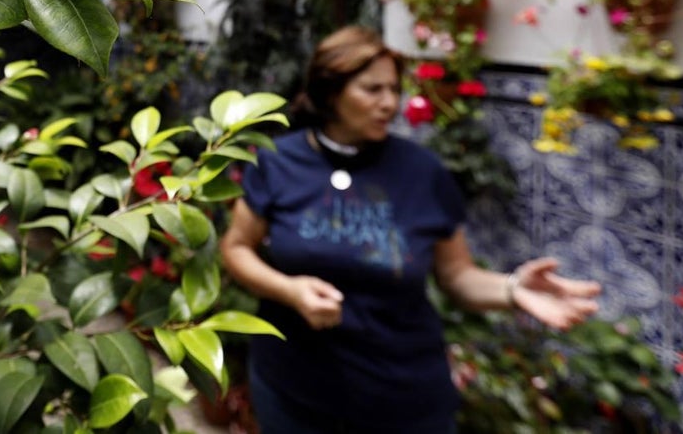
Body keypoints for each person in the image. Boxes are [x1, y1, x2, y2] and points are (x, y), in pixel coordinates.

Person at [219, 25, 601, 434]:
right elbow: (236, 248)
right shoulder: (279, 163)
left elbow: (457, 276)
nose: (390, 103)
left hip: (403, 395)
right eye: (372, 90)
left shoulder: (421, 172)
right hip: (294, 390)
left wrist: (512, 289)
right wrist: (289, 291)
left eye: (393, 89)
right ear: (331, 92)